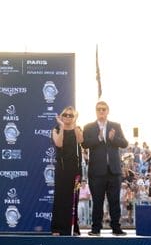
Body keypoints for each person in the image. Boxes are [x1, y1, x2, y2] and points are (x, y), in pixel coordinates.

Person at [83, 100, 129, 236]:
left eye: (103, 109)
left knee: (114, 201)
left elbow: (124, 143)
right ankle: (96, 229)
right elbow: (84, 144)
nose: (101, 111)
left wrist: (113, 138)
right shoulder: (89, 127)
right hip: (96, 172)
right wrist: (98, 138)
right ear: (96, 111)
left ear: (108, 111)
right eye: (99, 109)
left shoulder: (115, 126)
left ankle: (116, 228)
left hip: (114, 171)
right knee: (97, 201)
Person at [50, 106, 83, 236]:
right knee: (60, 197)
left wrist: (74, 125)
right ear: (61, 116)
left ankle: (73, 228)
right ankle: (57, 228)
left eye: (71, 115)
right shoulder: (56, 129)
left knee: (74, 198)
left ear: (74, 117)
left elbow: (81, 140)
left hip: (76, 170)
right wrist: (62, 127)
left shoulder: (77, 129)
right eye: (66, 115)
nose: (68, 117)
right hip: (61, 170)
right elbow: (59, 144)